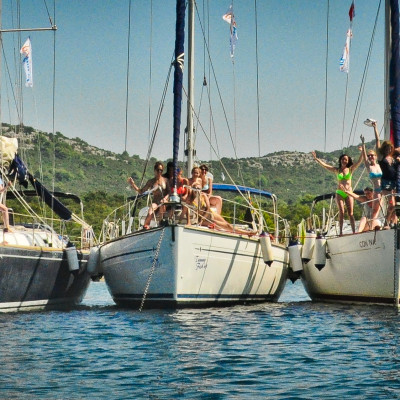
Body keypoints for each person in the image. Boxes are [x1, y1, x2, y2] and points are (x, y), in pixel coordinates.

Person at [312, 146, 363, 235]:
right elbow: (325, 166)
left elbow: (359, 161)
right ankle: (340, 232)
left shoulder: (350, 169)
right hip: (339, 192)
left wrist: (362, 152)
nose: (344, 160)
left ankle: (354, 232)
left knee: (351, 213)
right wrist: (316, 159)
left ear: (348, 161)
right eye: (343, 159)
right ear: (340, 160)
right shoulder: (337, 170)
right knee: (341, 212)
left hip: (349, 192)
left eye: (346, 159)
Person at [127, 161, 169, 229]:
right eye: (158, 170)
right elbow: (141, 191)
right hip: (156, 202)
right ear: (154, 170)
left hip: (164, 201)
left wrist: (165, 198)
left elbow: (170, 192)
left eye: (161, 170)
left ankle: (161, 223)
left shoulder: (166, 180)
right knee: (150, 212)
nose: (159, 172)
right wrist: (133, 184)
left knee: (162, 205)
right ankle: (146, 226)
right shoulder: (151, 181)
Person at [360, 134, 382, 220]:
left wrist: (375, 128)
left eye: (372, 155)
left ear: (376, 156)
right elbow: (364, 157)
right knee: (375, 211)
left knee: (389, 208)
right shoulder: (369, 167)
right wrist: (363, 144)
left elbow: (378, 142)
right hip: (377, 190)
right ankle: (372, 225)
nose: (370, 157)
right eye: (369, 156)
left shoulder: (380, 165)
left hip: (384, 190)